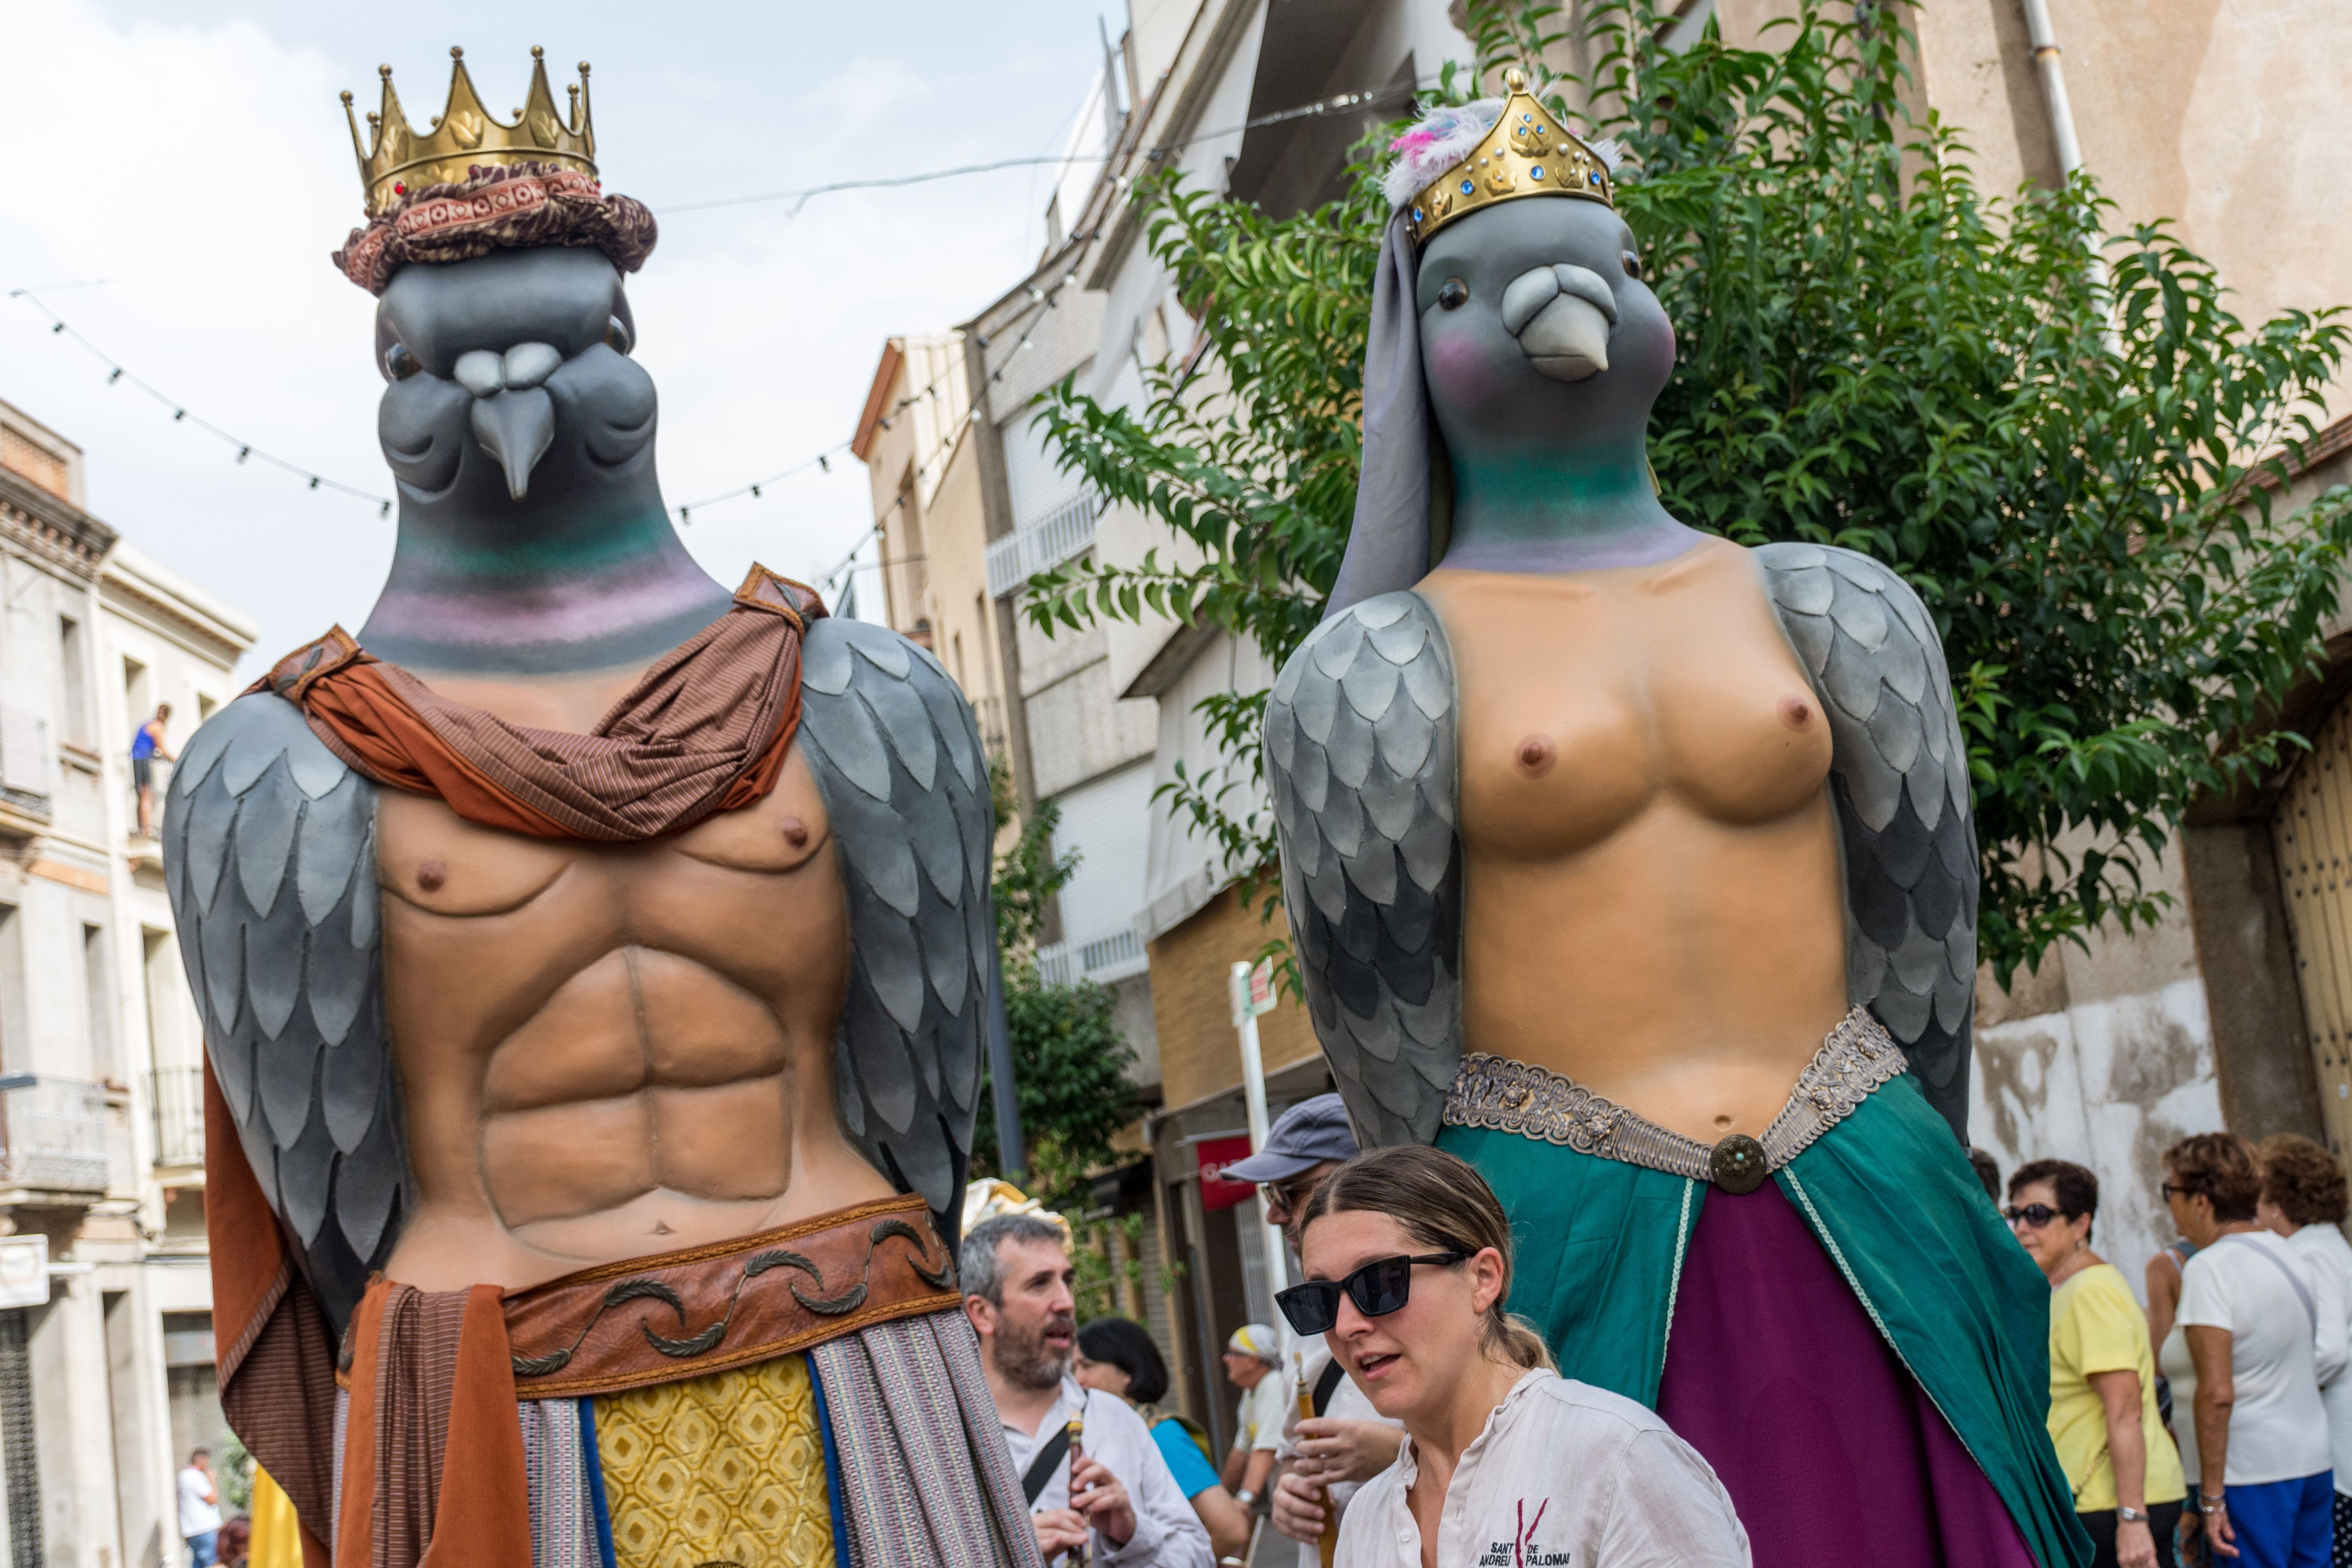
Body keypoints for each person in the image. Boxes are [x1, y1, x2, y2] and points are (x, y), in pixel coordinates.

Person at [1282, 1144, 1749, 1566]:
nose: (1346, 1325)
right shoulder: (1365, 1518)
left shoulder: (1616, 1457)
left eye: (1379, 1283)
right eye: (1319, 1299)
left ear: (1482, 1278)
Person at [962, 1212, 1214, 1568]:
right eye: (1039, 1284)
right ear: (983, 1313)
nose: (1066, 1301)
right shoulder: (943, 1438)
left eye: (1067, 1280)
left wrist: (1132, 1533)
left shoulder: (1115, 1418)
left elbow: (1200, 1556)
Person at [1228, 1094, 1405, 1567]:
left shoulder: (1430, 1295)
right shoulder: (1307, 1322)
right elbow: (1294, 1451)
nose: (1273, 1213)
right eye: (1271, 1194)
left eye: (1291, 1191)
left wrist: (1400, 1454)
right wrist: (1287, 1494)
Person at [2165, 1132, 2344, 1566]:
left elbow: (2216, 1390)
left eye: (2169, 1191)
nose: (2167, 1203)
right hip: (2311, 1459)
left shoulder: (2210, 1268)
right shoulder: (2289, 1254)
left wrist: (2210, 1496)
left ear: (2200, 1200)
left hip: (2249, 1470)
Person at [2006, 1159, 2188, 1566]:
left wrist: (2132, 1517)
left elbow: (2124, 1408)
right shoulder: (2068, 1289)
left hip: (2111, 1503)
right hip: (2094, 1500)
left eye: (2037, 1215)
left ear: (2080, 1224)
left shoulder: (2090, 1292)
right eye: (2014, 1214)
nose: (2021, 1228)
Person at [1077, 1316, 1253, 1562]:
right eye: (1073, 1368)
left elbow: (1231, 1530)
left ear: (1127, 1372)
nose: (1077, 1379)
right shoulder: (1117, 1433)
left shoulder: (1162, 1435)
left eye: (1087, 1366)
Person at [2258, 1133, 2352, 1558]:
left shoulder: (2311, 1253)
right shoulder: (2325, 1244)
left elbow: (2330, 1348)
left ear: (2277, 1203)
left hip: (2335, 1441)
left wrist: (2273, 1388)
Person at [1220, 1325, 1287, 1513]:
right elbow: (1241, 1453)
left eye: (1233, 1353)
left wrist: (1244, 1500)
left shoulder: (1274, 1384)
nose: (1226, 1359)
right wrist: (1221, 1500)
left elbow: (1266, 1450)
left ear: (1252, 1361)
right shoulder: (1251, 1392)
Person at [131, 702, 173, 836]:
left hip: (137, 759)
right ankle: (147, 830)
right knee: (146, 794)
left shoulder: (148, 724)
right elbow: (162, 749)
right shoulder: (157, 727)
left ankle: (142, 827)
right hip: (143, 760)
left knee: (142, 795)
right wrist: (177, 760)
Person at [177, 1448, 222, 1568]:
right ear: (201, 1461)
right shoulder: (196, 1477)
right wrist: (212, 1480)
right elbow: (213, 1499)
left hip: (192, 1530)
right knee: (211, 1563)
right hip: (204, 1529)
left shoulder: (183, 1476)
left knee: (198, 1563)